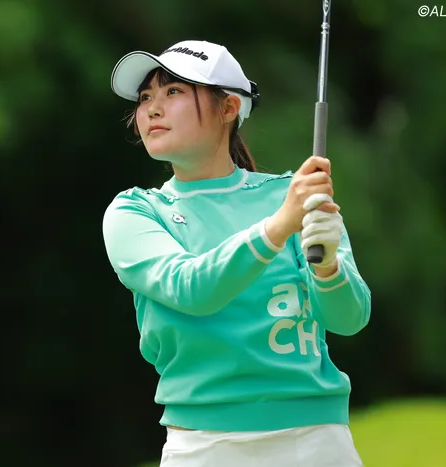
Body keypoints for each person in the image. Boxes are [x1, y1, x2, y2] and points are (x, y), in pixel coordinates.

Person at [102, 39, 371, 466]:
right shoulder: (135, 211)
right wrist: (278, 227)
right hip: (203, 446)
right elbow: (192, 289)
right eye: (146, 97)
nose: (153, 109)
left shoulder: (291, 195)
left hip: (315, 440)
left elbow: (349, 318)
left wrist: (327, 267)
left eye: (173, 91)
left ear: (228, 108)